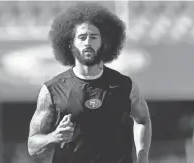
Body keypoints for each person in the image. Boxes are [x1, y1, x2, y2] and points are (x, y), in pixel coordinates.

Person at [27, 2, 151, 163]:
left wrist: (143, 158)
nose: (87, 42)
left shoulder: (125, 86)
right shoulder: (52, 90)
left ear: (103, 43)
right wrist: (53, 137)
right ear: (71, 45)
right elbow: (32, 146)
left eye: (93, 37)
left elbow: (143, 120)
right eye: (82, 37)